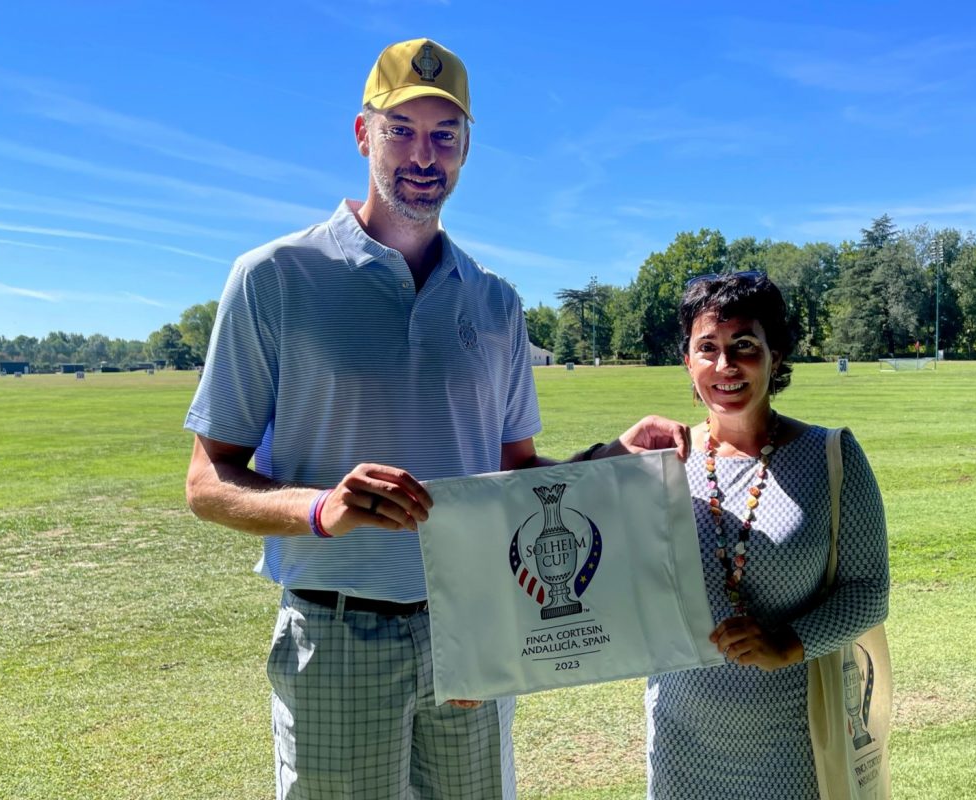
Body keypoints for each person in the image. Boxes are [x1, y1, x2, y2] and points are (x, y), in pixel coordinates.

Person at [183, 38, 688, 800]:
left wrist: (610, 459)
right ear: (363, 134)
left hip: (475, 627)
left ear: (466, 148)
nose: (424, 155)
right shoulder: (274, 278)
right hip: (338, 635)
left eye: (445, 135)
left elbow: (516, 477)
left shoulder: (495, 300)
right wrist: (322, 509)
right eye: (402, 130)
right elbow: (206, 481)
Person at [645, 272, 889, 799]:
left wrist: (787, 644)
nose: (725, 365)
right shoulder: (659, 463)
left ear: (775, 356)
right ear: (687, 361)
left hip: (797, 743)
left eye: (744, 346)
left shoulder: (832, 456)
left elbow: (869, 591)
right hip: (679, 742)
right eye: (707, 347)